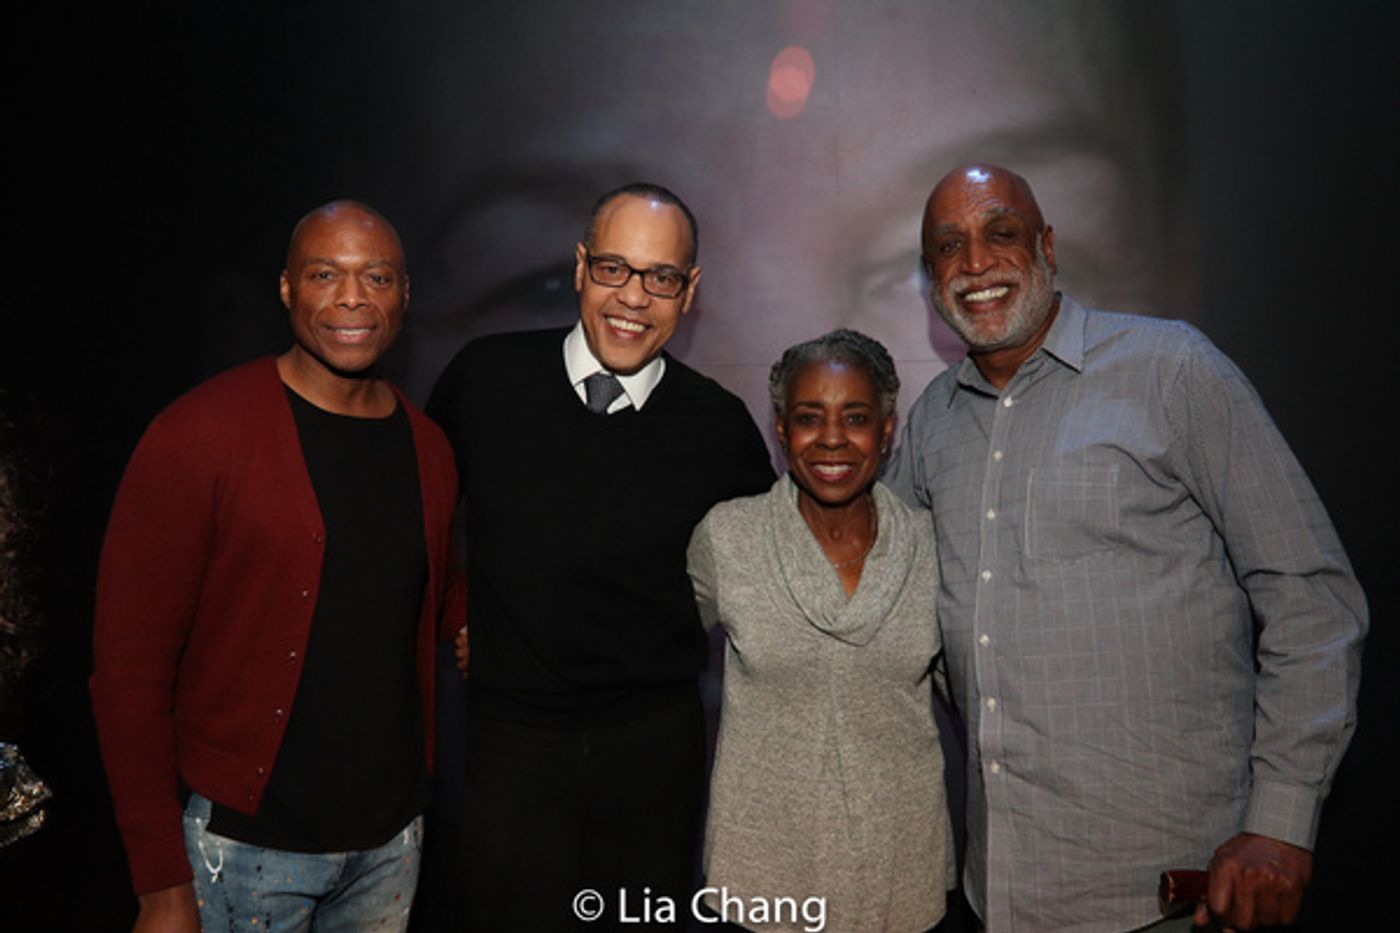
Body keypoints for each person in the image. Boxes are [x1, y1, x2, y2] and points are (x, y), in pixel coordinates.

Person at [883, 165, 1366, 932]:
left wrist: (1281, 819)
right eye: (948, 246)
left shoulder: (1171, 370)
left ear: (1047, 246)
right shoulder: (933, 422)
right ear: (931, 278)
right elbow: (899, 615)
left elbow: (1313, 599)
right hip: (999, 895)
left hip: (1172, 898)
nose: (974, 263)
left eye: (999, 233)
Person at [90, 201, 460, 933]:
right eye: (325, 274)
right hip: (241, 854)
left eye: (375, 276)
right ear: (288, 289)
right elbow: (126, 673)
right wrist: (160, 881)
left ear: (405, 293)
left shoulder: (430, 448)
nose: (352, 296)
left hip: (390, 849)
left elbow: (430, 599)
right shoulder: (196, 436)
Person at [427, 182, 774, 930]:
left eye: (661, 277)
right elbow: (411, 514)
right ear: (581, 267)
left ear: (690, 291)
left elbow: (770, 579)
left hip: (655, 747)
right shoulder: (486, 377)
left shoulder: (720, 426)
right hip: (511, 740)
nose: (634, 297)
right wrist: (457, 611)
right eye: (614, 268)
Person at [688, 329, 950, 932]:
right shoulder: (729, 539)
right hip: (763, 885)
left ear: (887, 430)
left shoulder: (934, 547)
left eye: (855, 417)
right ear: (781, 429)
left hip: (900, 880)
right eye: (810, 417)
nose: (832, 438)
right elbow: (648, 649)